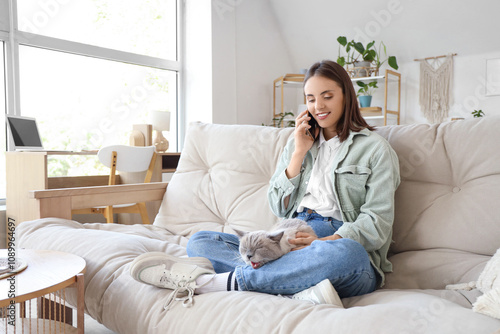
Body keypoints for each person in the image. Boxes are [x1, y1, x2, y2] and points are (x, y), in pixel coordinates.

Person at [130, 60, 401, 310]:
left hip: (337, 241)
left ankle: (221, 283)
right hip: (288, 236)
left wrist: (322, 242)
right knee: (202, 241)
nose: (319, 106)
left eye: (328, 96)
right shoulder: (298, 142)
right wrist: (298, 153)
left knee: (348, 255)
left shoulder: (375, 149)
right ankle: (295, 287)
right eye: (311, 98)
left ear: (346, 96)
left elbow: (377, 221)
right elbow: (277, 206)